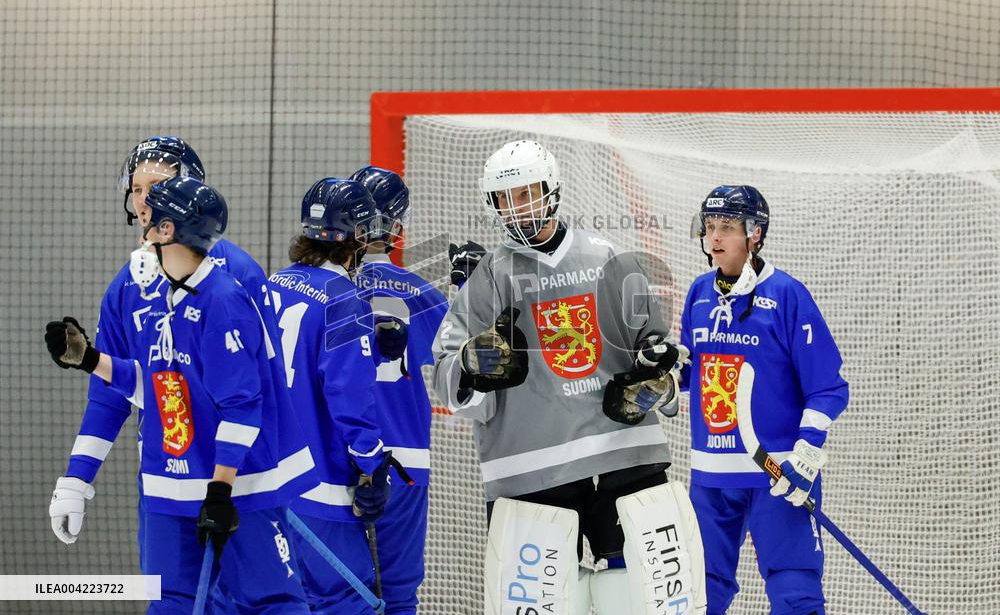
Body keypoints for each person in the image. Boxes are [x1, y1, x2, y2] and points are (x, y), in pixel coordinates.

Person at [431, 140, 706, 614]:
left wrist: (657, 383)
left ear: (552, 190)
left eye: (527, 193)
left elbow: (663, 354)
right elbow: (445, 380)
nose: (518, 207)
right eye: (506, 198)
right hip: (530, 473)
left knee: (644, 601)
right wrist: (471, 366)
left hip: (627, 459)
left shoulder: (610, 258)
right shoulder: (486, 279)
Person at [45, 176, 317, 613]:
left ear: (168, 230)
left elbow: (242, 407)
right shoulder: (159, 295)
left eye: (151, 214)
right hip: (169, 487)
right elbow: (158, 387)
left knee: (271, 601)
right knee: (171, 603)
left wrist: (220, 492)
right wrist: (90, 359)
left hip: (237, 488)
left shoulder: (223, 300)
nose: (142, 219)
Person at [50, 136, 276, 555]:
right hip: (166, 485)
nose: (142, 200)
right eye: (136, 188)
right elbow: (112, 394)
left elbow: (268, 386)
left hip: (246, 485)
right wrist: (77, 478)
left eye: (155, 187)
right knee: (166, 592)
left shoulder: (237, 275)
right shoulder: (125, 288)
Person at [681, 185, 850, 615]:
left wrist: (807, 453)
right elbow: (691, 375)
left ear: (754, 233)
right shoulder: (699, 293)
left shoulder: (787, 295)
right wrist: (662, 373)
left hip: (775, 471)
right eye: (710, 226)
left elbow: (827, 386)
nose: (714, 237)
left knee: (794, 591)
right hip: (711, 473)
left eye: (727, 227)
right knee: (700, 593)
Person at [268, 177, 393, 613]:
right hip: (320, 490)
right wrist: (372, 462)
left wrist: (373, 347)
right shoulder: (345, 299)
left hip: (267, 486)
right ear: (357, 237)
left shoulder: (272, 283)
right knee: (345, 601)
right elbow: (347, 393)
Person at [350, 166, 449, 614]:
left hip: (338, 455)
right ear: (397, 227)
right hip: (405, 458)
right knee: (398, 593)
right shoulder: (420, 291)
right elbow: (465, 362)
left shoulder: (326, 289)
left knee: (335, 591)